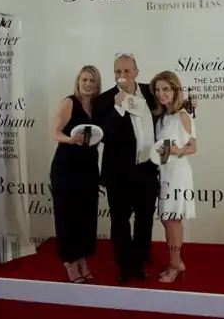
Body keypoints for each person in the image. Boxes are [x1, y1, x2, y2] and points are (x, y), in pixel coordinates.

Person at [92, 53, 160, 283]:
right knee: (120, 221)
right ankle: (123, 265)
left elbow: (171, 110)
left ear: (136, 72)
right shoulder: (103, 100)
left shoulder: (151, 93)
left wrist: (191, 107)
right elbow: (104, 136)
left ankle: (139, 263)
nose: (122, 75)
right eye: (118, 71)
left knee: (144, 221)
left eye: (126, 71)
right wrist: (119, 108)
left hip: (147, 169)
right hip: (118, 174)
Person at [49, 65, 102, 283]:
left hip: (89, 167)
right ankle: (70, 263)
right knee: (68, 216)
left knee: (86, 216)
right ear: (78, 82)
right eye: (84, 80)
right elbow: (54, 133)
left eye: (92, 80)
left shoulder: (98, 106)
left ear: (97, 84)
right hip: (67, 167)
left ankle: (82, 259)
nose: (88, 84)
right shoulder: (69, 102)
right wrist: (70, 139)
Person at [150, 70, 197, 283]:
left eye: (166, 89)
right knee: (167, 218)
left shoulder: (183, 116)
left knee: (173, 219)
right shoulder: (160, 118)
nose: (161, 94)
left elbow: (193, 146)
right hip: (164, 172)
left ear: (175, 90)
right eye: (158, 90)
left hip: (178, 172)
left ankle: (175, 264)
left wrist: (177, 151)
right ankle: (176, 262)